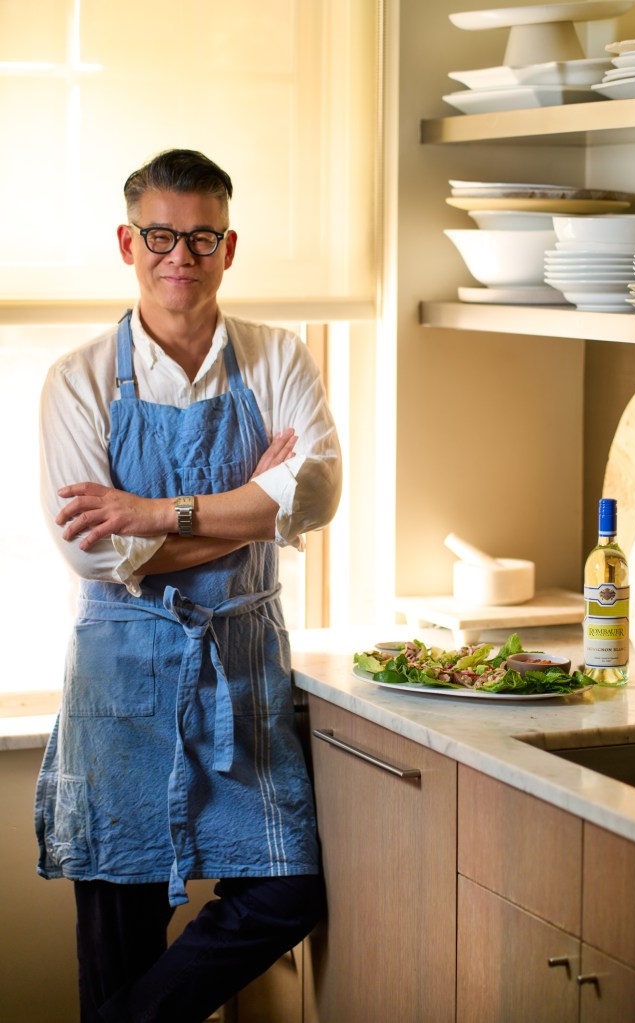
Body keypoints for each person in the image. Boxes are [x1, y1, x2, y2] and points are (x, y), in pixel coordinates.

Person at [34, 148, 342, 1023]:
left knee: (287, 893)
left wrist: (150, 514)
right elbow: (94, 555)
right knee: (117, 948)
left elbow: (314, 493)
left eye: (202, 237)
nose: (181, 255)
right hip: (120, 696)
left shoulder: (278, 357)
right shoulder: (77, 380)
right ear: (127, 242)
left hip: (240, 682)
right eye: (160, 236)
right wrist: (249, 505)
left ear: (228, 246)